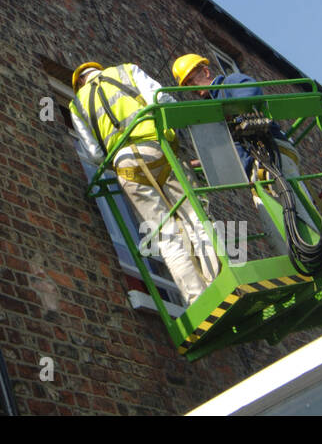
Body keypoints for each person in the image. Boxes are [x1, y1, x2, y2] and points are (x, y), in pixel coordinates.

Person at [70, 61, 219, 304]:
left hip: (125, 165)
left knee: (165, 235)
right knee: (195, 216)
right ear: (97, 69)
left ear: (79, 84)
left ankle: (197, 299)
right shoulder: (126, 70)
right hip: (159, 149)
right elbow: (160, 99)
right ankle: (219, 281)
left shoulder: (76, 104)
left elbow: (96, 154)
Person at [171, 53, 321, 232]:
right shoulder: (210, 111)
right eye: (186, 84)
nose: (191, 87)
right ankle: (305, 255)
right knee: (277, 229)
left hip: (273, 154)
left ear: (205, 71)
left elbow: (251, 92)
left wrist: (231, 112)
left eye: (191, 79)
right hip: (255, 174)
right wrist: (201, 163)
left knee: (298, 212)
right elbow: (229, 150)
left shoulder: (230, 83)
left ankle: (320, 251)